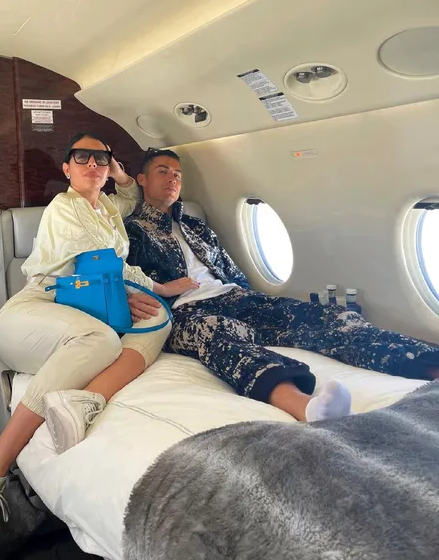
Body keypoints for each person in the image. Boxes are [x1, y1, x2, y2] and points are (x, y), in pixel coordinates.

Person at [0, 134, 196, 560]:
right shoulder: (63, 208)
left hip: (93, 309)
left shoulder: (109, 210)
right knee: (102, 340)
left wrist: (156, 290)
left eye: (100, 158)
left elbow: (128, 198)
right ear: (66, 168)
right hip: (38, 308)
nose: (92, 164)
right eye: (82, 157)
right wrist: (145, 287)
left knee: (159, 318)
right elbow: (98, 263)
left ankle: (85, 399)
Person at [125, 148, 439, 424]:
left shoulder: (197, 226)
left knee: (320, 316)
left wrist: (255, 299)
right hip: (183, 311)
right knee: (218, 333)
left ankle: (427, 365)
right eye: (162, 171)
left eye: (177, 174)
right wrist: (154, 292)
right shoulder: (132, 230)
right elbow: (124, 279)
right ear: (142, 180)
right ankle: (306, 406)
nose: (172, 178)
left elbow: (232, 271)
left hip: (233, 297)